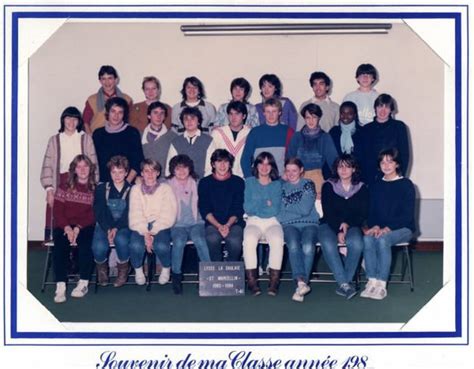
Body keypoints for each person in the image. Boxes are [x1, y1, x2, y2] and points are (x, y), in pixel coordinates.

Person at [361, 148, 415, 300]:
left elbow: (407, 215)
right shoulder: (376, 185)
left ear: (397, 164)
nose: (386, 165)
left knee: (383, 240)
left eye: (390, 161)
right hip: (382, 228)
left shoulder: (406, 184)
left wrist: (388, 228)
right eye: (382, 162)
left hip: (403, 228)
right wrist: (375, 226)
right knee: (368, 238)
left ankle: (381, 285)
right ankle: (371, 282)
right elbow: (372, 212)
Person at [40, 107, 98, 238]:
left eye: (75, 118)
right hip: (60, 179)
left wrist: (92, 185)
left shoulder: (86, 139)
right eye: (68, 118)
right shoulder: (54, 140)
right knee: (57, 212)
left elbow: (93, 164)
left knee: (81, 212)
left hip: (81, 179)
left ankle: (78, 243)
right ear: (63, 120)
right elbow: (47, 164)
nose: (71, 122)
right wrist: (49, 189)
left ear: (79, 121)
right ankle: (55, 246)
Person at [318, 154, 368, 300]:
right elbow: (328, 211)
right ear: (336, 169)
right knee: (328, 243)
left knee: (357, 243)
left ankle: (343, 283)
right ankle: (345, 283)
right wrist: (339, 229)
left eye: (347, 166)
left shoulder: (361, 187)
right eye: (340, 166)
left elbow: (362, 212)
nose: (344, 170)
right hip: (329, 224)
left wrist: (347, 224)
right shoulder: (328, 185)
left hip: (353, 224)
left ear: (353, 169)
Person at [51, 154, 97, 303]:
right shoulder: (64, 186)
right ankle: (60, 285)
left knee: (86, 246)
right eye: (79, 166)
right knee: (60, 247)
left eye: (86, 166)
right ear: (74, 169)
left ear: (90, 169)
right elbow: (57, 210)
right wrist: (67, 228)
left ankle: (83, 283)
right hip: (64, 224)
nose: (83, 169)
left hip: (84, 225)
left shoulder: (95, 189)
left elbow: (93, 213)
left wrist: (77, 228)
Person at [128, 159, 177, 286]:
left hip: (161, 224)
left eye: (153, 171)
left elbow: (168, 213)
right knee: (135, 246)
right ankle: (138, 270)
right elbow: (135, 212)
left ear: (158, 173)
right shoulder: (135, 189)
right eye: (146, 171)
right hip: (140, 224)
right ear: (142, 173)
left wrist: (153, 231)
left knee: (161, 245)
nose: (150, 174)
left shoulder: (166, 189)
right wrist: (145, 233)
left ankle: (166, 267)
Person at [167, 154, 211, 294]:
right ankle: (176, 277)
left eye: (184, 168)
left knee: (199, 239)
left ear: (189, 168)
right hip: (177, 224)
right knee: (179, 241)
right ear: (173, 170)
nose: (181, 171)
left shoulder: (197, 183)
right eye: (178, 168)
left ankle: (207, 275)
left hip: (196, 222)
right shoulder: (166, 185)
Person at [277, 158, 319, 302]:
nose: (291, 174)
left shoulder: (308, 184)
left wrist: (286, 207)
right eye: (287, 170)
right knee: (293, 245)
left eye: (294, 170)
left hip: (310, 223)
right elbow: (279, 213)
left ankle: (301, 285)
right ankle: (301, 283)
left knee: (308, 246)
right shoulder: (280, 187)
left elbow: (305, 209)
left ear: (301, 170)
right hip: (289, 225)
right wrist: (292, 210)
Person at [243, 152, 283, 296]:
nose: (264, 167)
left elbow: (275, 208)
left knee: (277, 240)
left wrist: (258, 203)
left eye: (268, 164)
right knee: (249, 239)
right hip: (253, 221)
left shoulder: (277, 184)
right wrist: (265, 202)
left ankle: (273, 282)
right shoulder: (249, 182)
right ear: (256, 165)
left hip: (273, 221)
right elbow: (247, 208)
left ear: (272, 167)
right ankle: (252, 282)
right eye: (261, 163)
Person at [198, 149, 245, 263]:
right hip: (213, 223)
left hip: (234, 223)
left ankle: (231, 270)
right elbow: (204, 208)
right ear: (213, 164)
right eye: (219, 161)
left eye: (226, 162)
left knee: (234, 241)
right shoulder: (205, 182)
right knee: (212, 239)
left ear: (230, 164)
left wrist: (227, 225)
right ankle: (217, 269)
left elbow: (238, 208)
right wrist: (219, 226)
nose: (222, 165)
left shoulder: (238, 182)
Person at [92, 155, 132, 288]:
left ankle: (123, 270)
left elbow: (130, 213)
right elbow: (99, 210)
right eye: (114, 172)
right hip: (104, 224)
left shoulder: (132, 190)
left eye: (121, 172)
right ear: (110, 172)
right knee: (98, 247)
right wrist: (108, 228)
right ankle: (102, 269)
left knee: (121, 241)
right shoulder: (102, 188)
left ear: (126, 173)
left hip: (124, 224)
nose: (117, 175)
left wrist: (116, 228)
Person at [287, 103, 338, 197]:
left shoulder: (325, 138)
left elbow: (334, 162)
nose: (311, 120)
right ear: (304, 119)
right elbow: (289, 159)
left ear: (319, 118)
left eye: (314, 117)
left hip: (317, 179)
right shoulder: (296, 136)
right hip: (296, 178)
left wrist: (335, 182)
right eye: (308, 117)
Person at [358, 94, 410, 186]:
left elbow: (405, 154)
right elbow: (362, 156)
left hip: (393, 175)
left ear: (391, 110)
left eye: (387, 107)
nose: (383, 110)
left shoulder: (399, 127)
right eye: (380, 106)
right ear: (375, 108)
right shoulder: (365, 129)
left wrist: (400, 175)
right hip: (371, 178)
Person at [92, 96, 144, 184]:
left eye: (120, 112)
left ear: (124, 115)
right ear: (107, 112)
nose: (116, 116)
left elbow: (137, 162)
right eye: (113, 111)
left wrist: (125, 184)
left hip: (127, 183)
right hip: (103, 183)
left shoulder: (132, 132)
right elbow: (94, 162)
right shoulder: (98, 134)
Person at [241, 98, 294, 177]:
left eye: (274, 111)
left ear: (280, 112)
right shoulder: (255, 132)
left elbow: (292, 158)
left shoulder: (288, 131)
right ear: (264, 113)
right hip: (259, 180)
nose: (271, 115)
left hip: (281, 179)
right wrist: (250, 179)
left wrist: (288, 175)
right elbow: (245, 159)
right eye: (268, 112)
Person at [166, 107, 215, 179]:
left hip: (202, 181)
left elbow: (210, 167)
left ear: (198, 121)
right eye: (186, 119)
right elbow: (170, 167)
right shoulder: (176, 141)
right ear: (182, 122)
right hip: (180, 182)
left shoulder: (208, 140)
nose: (189, 121)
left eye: (192, 118)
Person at [83, 65, 133, 134]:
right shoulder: (92, 100)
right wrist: (91, 137)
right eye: (103, 79)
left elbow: (130, 121)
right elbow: (85, 122)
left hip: (120, 137)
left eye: (110, 78)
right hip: (97, 137)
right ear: (100, 81)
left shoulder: (126, 99)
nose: (107, 82)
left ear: (116, 80)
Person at [211, 101, 251, 178]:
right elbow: (211, 157)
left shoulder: (250, 133)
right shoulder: (217, 133)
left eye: (237, 114)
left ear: (244, 116)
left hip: (243, 178)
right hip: (221, 177)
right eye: (231, 114)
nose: (234, 117)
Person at [141, 101, 177, 177]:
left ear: (165, 117)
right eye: (155, 113)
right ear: (149, 116)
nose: (159, 116)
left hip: (165, 179)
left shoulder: (172, 137)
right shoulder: (139, 136)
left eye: (162, 113)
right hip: (144, 179)